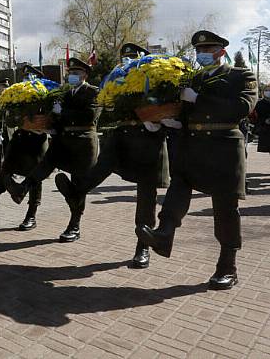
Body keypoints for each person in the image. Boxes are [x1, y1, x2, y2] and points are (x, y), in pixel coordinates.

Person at [137, 30, 258, 290]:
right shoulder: (193, 79)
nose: (202, 54)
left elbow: (240, 107)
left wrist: (198, 99)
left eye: (208, 49)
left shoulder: (241, 76)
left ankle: (228, 267)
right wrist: (170, 122)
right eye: (199, 51)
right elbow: (187, 113)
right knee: (179, 184)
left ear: (221, 52)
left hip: (225, 147)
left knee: (225, 208)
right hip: (192, 146)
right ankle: (164, 233)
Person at [55, 43, 170, 268]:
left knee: (146, 197)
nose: (128, 61)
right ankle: (76, 192)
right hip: (124, 134)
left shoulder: (157, 77)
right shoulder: (118, 80)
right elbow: (110, 110)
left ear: (144, 59)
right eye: (125, 57)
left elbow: (168, 106)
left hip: (149, 138)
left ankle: (142, 248)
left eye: (133, 57)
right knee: (100, 167)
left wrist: (157, 121)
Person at [7, 58, 100, 242]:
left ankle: (74, 225)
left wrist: (62, 113)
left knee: (78, 187)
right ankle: (22, 188)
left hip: (83, 143)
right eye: (71, 73)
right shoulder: (65, 94)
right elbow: (57, 117)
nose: (72, 76)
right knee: (44, 165)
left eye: (76, 73)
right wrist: (51, 125)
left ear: (85, 75)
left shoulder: (93, 92)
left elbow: (89, 115)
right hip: (63, 141)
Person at [0, 66, 50, 230]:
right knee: (5, 170)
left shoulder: (47, 97)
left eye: (30, 77)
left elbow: (52, 120)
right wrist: (14, 113)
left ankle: (31, 215)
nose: (26, 80)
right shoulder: (18, 97)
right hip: (20, 140)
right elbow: (9, 121)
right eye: (25, 77)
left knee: (35, 178)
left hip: (37, 142)